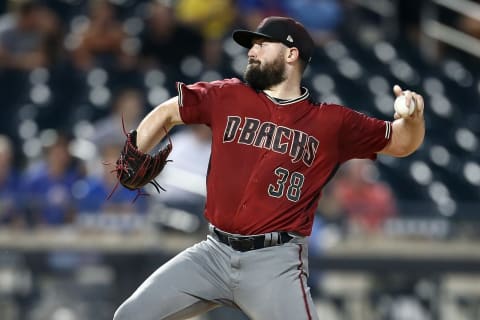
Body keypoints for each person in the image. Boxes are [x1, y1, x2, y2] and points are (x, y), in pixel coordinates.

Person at [113, 16, 425, 320]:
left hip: (275, 262)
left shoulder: (331, 122)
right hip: (212, 253)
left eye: (262, 44)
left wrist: (413, 119)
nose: (251, 51)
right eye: (252, 45)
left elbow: (402, 143)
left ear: (291, 54)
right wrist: (137, 148)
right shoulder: (227, 95)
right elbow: (168, 111)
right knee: (130, 315)